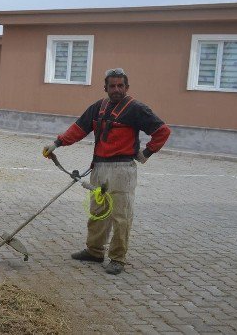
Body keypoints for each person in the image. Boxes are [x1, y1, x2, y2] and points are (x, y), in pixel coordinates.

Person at [42, 68, 170, 275]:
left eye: (121, 85)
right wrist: (56, 144)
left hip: (122, 170)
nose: (117, 89)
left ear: (127, 88)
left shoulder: (136, 109)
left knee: (121, 216)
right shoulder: (97, 108)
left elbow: (162, 131)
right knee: (98, 212)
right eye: (112, 86)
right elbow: (78, 129)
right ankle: (94, 251)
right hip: (99, 168)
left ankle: (118, 258)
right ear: (106, 88)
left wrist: (146, 152)